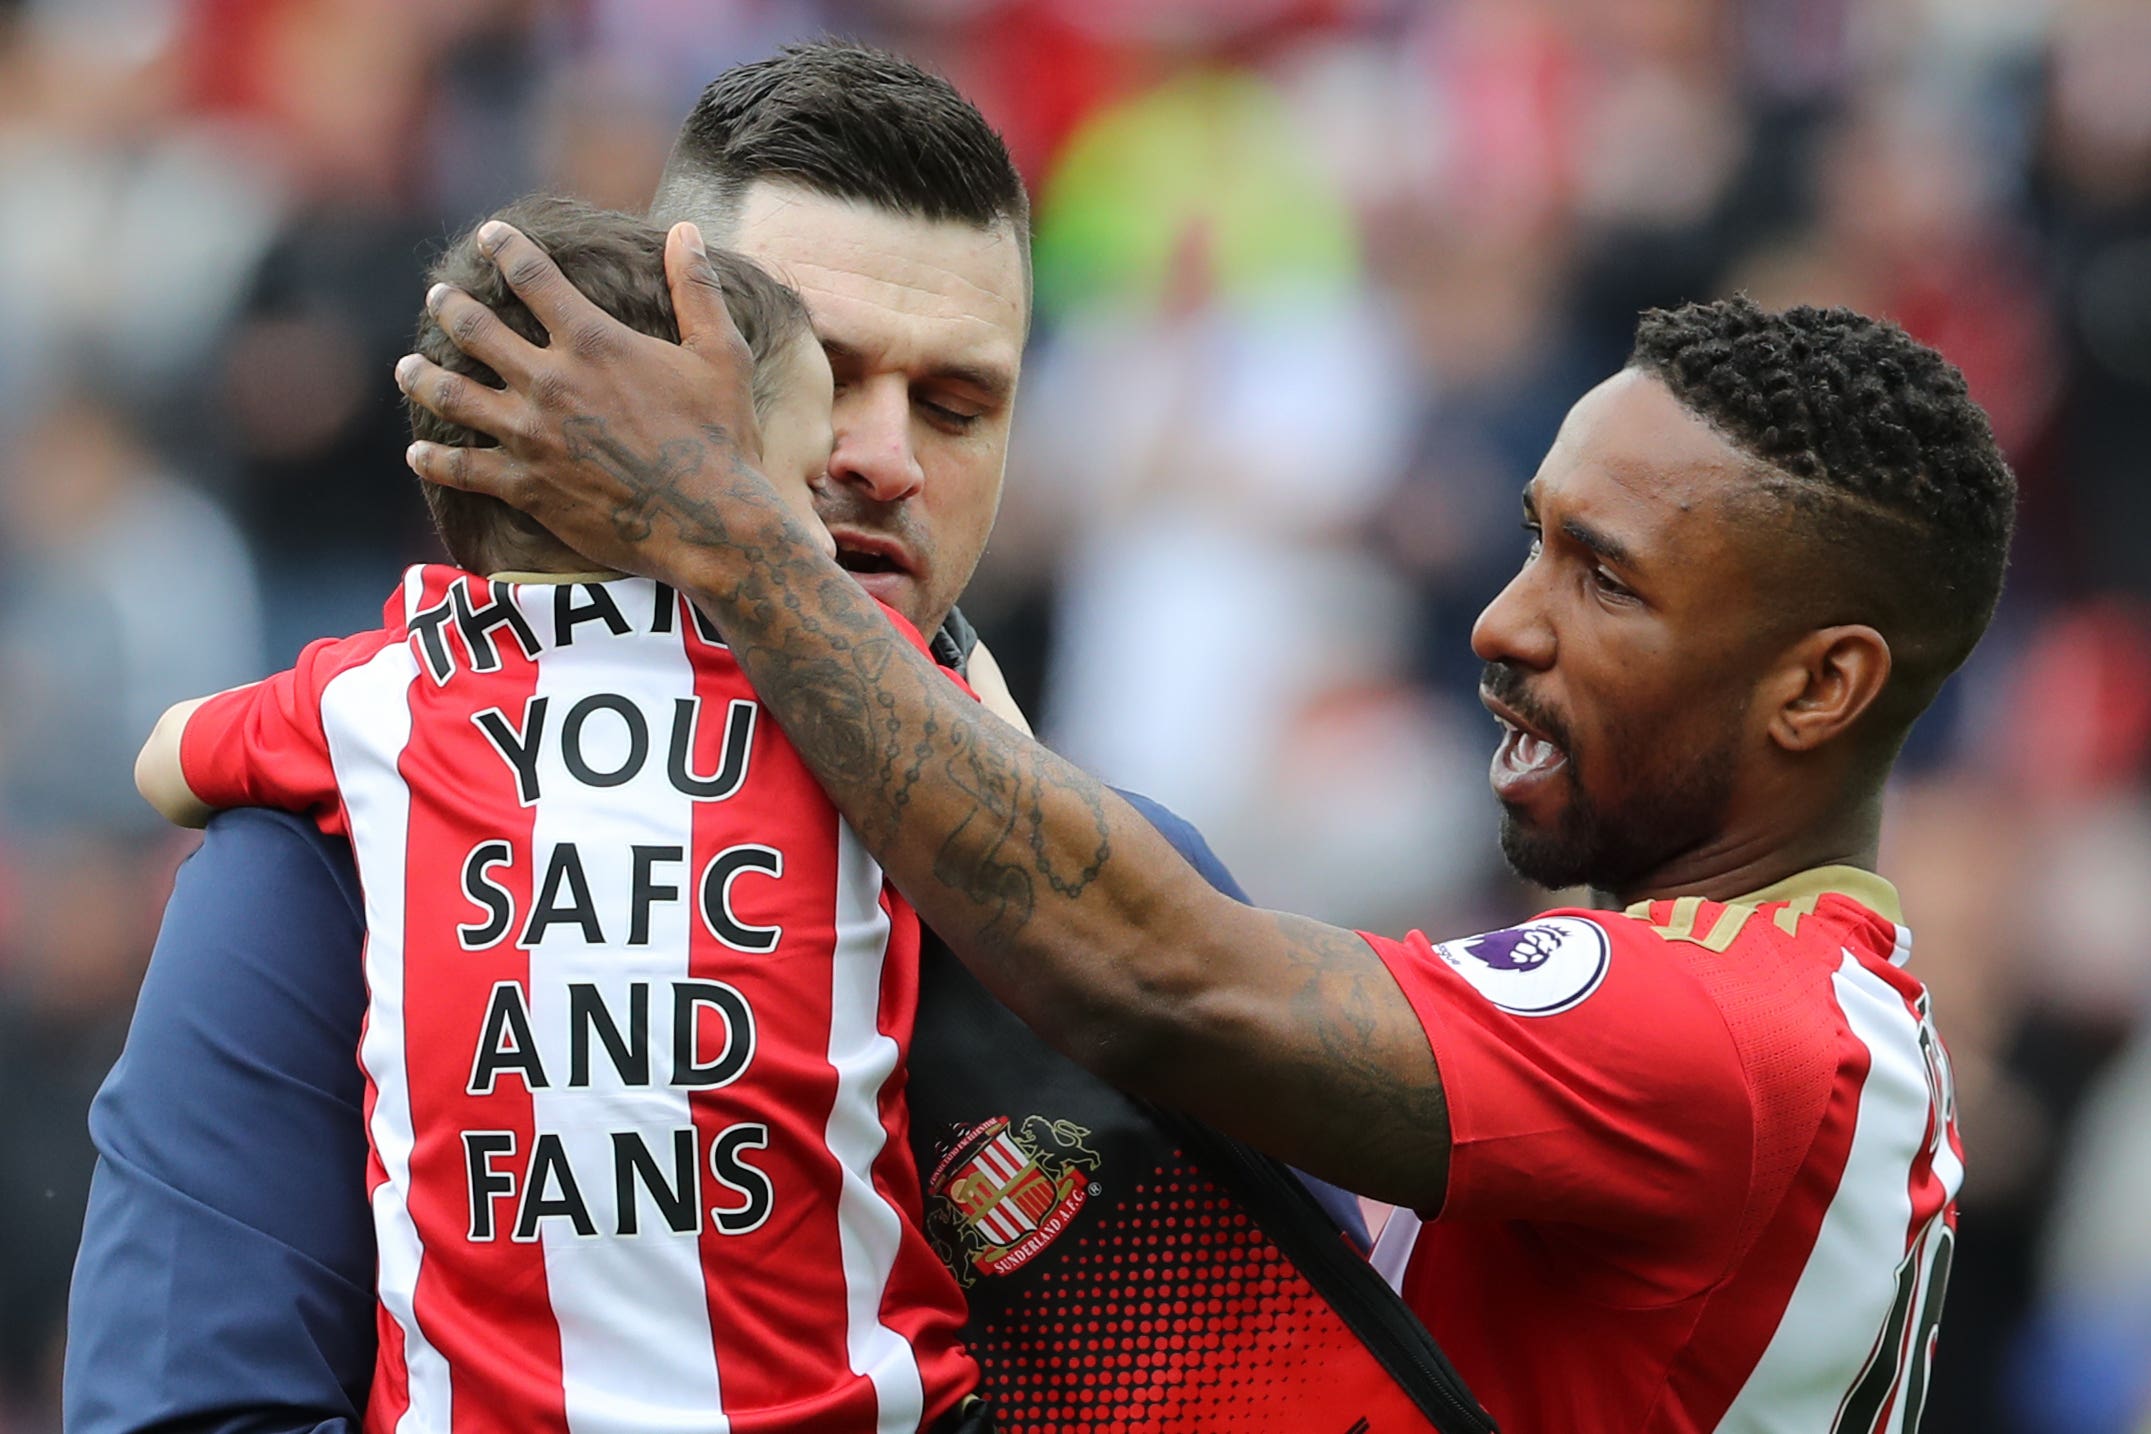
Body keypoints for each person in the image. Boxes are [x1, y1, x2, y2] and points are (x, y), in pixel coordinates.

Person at [401, 254, 2002, 1430]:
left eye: (1605, 578)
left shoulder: (1734, 1033)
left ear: (1819, 685)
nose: (1501, 621)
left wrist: (724, 526)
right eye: (1531, 537)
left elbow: (1160, 979)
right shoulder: (1808, 1023)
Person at [68, 43, 1384, 1433]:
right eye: (820, 373)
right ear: (620, 377)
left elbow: (1305, 1385)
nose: (879, 454)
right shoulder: (329, 854)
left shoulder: (1130, 891)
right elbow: (190, 1410)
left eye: (955, 404)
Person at [129, 193, 1002, 1432]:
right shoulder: (871, 689)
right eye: (798, 488)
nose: (828, 521)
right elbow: (1025, 797)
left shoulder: (382, 696)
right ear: (680, 471)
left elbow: (168, 759)